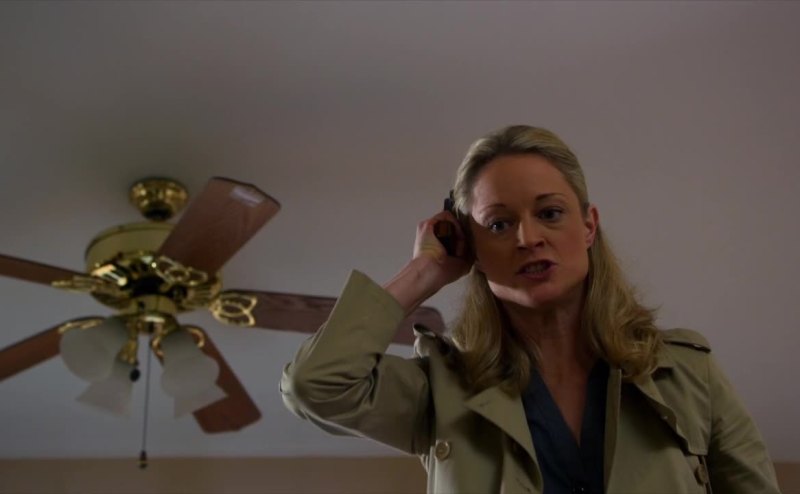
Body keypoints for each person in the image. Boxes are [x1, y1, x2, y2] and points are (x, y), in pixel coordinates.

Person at [280, 125, 780, 494]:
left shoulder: (687, 372)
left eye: (550, 213)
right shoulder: (441, 389)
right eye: (498, 225)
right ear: (471, 248)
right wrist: (424, 272)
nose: (528, 238)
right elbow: (315, 386)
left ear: (589, 226)